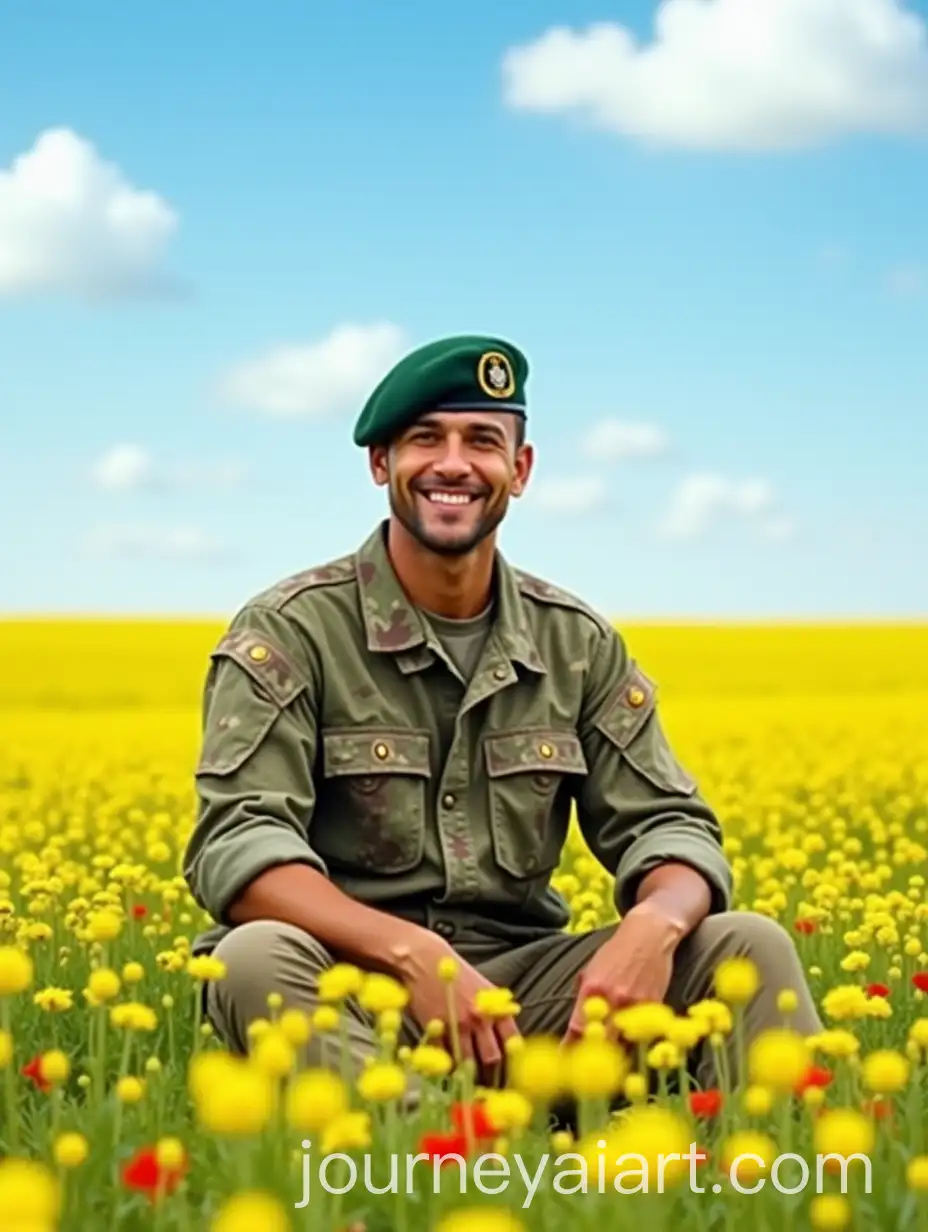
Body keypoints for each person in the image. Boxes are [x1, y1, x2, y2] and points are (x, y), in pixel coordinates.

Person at [183, 333, 821, 1102]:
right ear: (380, 463)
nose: (453, 463)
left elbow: (671, 827)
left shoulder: (574, 642)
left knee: (744, 942)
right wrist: (411, 954)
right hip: (349, 987)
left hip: (527, 1004)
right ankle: (419, 1170)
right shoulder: (291, 630)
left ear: (518, 471)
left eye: (482, 440)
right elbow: (240, 844)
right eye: (425, 438)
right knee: (253, 958)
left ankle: (766, 1186)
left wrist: (653, 929)